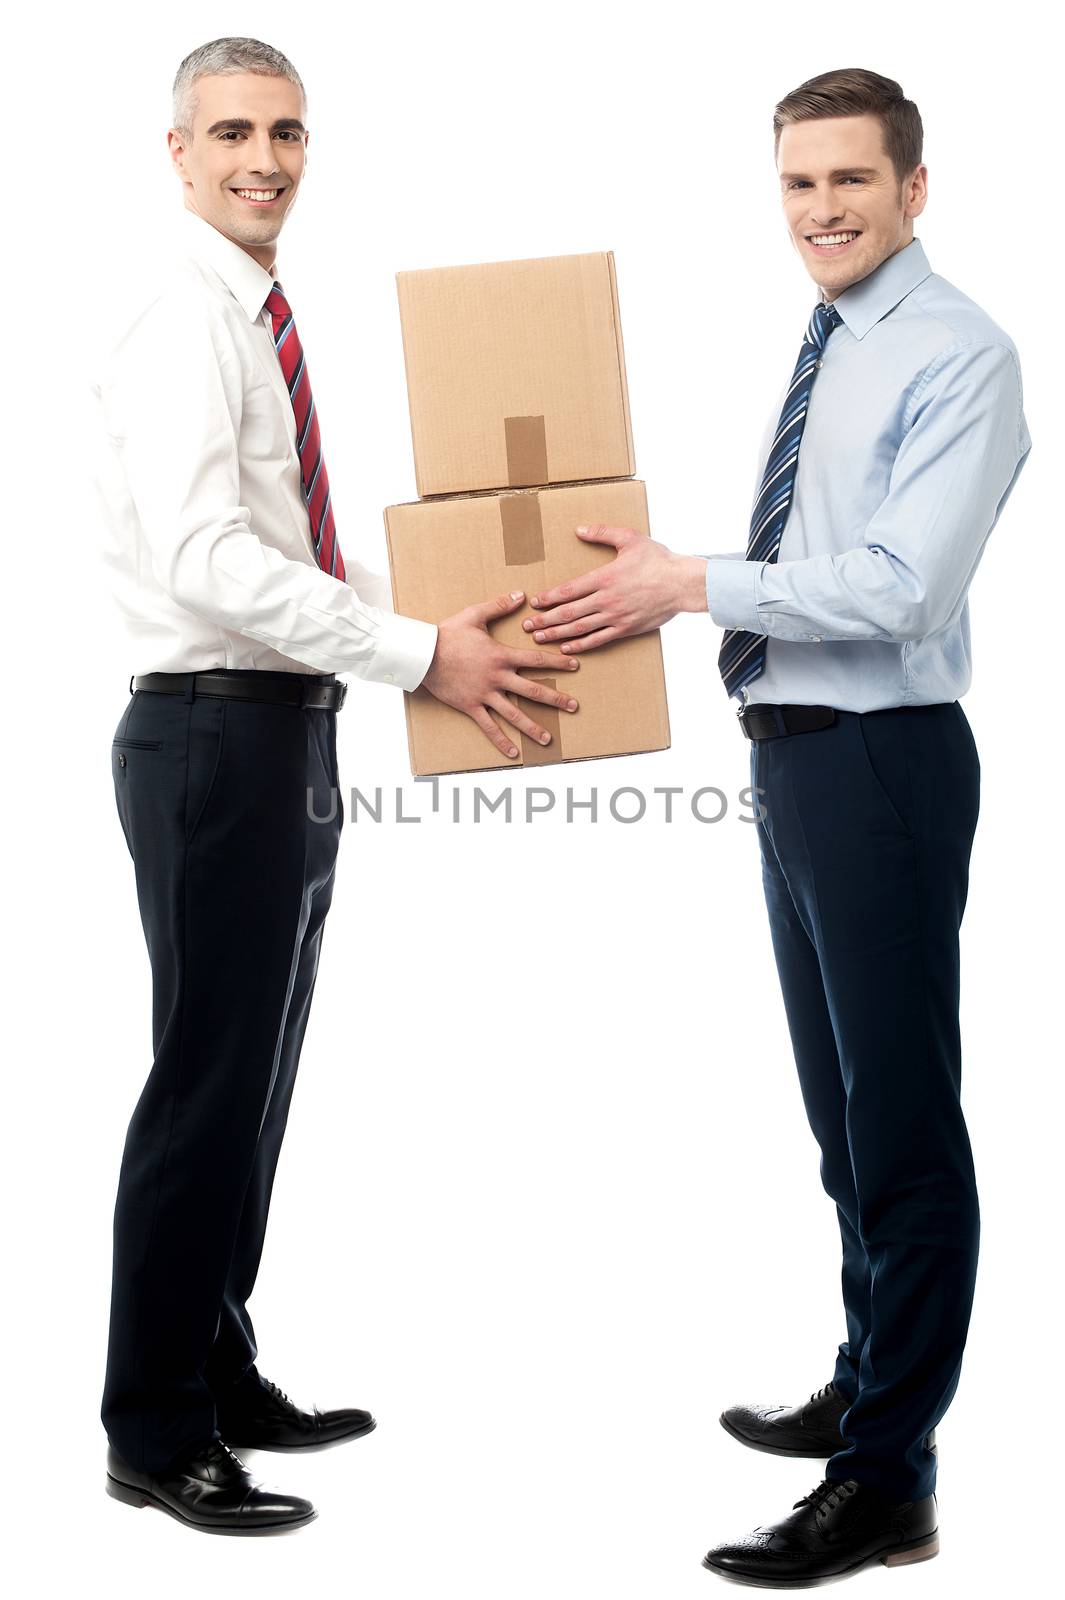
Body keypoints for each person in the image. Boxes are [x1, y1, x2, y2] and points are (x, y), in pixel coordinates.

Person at [525, 68, 1030, 1585]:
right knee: (840, 1121)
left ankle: (890, 1479)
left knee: (902, 1132)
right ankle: (865, 1380)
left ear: (914, 187)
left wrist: (694, 584)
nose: (819, 210)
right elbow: (814, 551)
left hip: (882, 763)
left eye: (849, 182)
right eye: (798, 184)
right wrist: (674, 569)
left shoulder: (958, 353)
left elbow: (898, 588)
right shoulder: (830, 336)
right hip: (796, 759)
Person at [91, 35, 581, 1537]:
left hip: (282, 727)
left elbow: (288, 553)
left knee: (256, 1078)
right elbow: (207, 562)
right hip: (209, 738)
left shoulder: (255, 312)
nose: (265, 158)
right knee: (203, 1086)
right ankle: (153, 1426)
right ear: (176, 152)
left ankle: (217, 1363)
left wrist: (433, 620)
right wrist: (416, 651)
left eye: (287, 131)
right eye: (232, 131)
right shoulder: (184, 316)